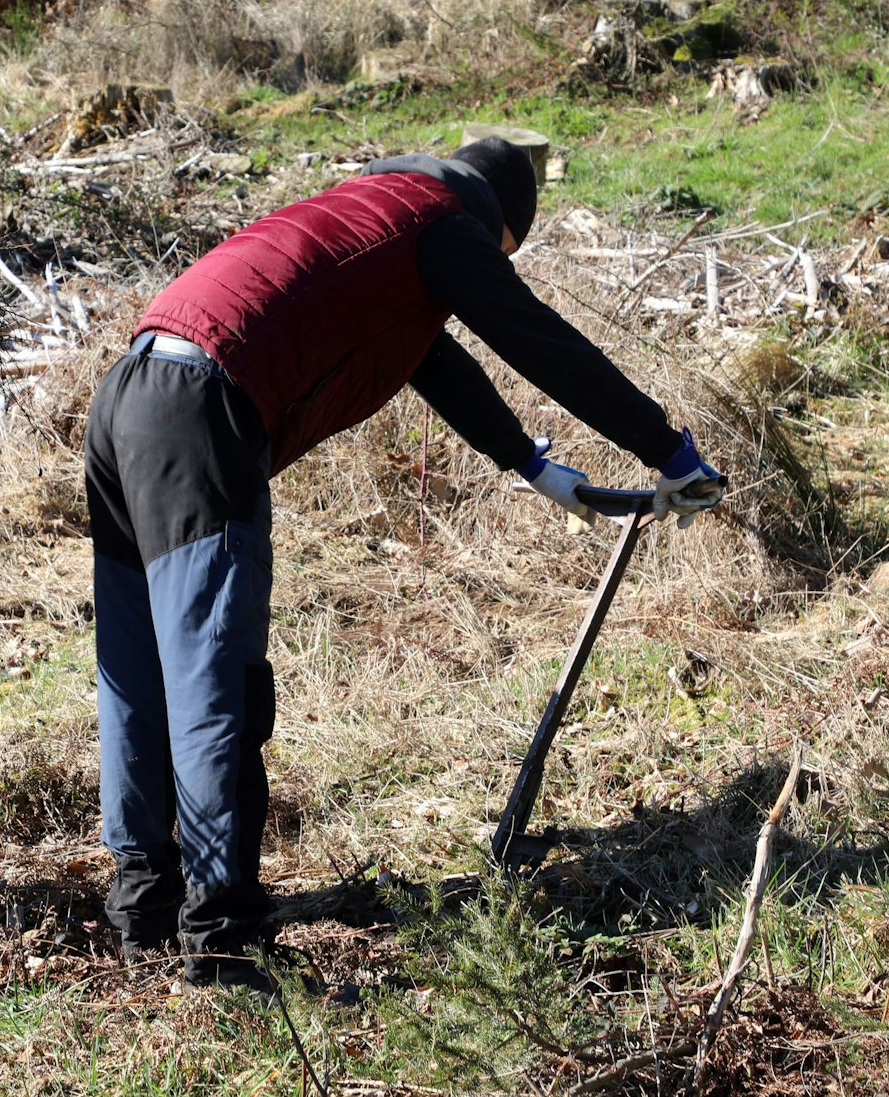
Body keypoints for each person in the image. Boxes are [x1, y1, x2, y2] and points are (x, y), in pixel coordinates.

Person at [84, 136, 725, 990]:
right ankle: (223, 940)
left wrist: (532, 466)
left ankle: (144, 908)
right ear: (499, 226)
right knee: (214, 686)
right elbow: (534, 336)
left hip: (128, 392)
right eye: (503, 255)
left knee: (136, 672)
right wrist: (666, 447)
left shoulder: (367, 216)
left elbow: (431, 357)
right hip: (203, 414)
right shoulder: (445, 224)